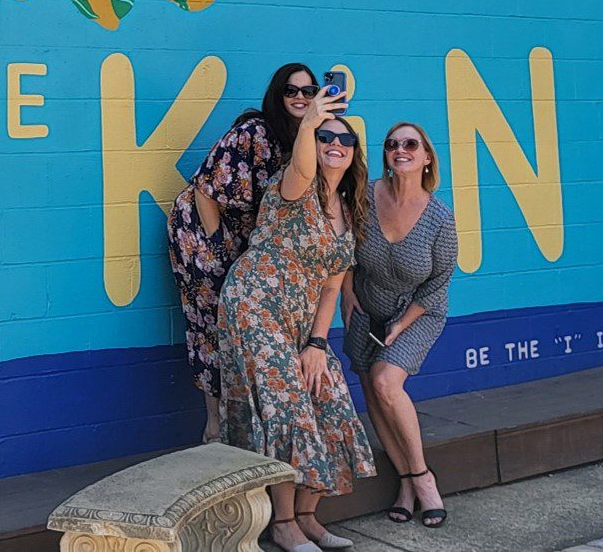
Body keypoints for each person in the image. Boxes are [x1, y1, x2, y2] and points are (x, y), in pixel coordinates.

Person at [218, 86, 374, 552]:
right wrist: (310, 121)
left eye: (344, 140)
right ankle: (282, 523)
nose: (334, 144)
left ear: (353, 154)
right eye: (326, 135)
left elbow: (331, 286)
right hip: (254, 306)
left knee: (326, 395)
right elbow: (305, 163)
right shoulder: (295, 185)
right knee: (286, 407)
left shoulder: (349, 211)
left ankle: (307, 517)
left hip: (302, 323)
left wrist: (318, 345)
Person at [167, 63, 319, 440]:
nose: (300, 97)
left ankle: (243, 419)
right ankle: (215, 427)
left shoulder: (305, 138)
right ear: (276, 95)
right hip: (202, 233)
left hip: (246, 241)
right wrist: (218, 247)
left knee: (242, 325)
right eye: (291, 90)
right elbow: (206, 189)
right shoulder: (254, 131)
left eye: (309, 90)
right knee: (212, 322)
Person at [342, 121, 459, 530]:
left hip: (418, 313)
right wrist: (345, 292)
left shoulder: (440, 218)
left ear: (427, 157)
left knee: (386, 381)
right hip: (366, 307)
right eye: (392, 144)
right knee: (371, 388)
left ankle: (423, 478)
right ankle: (405, 483)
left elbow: (439, 284)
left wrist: (398, 327)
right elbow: (342, 247)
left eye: (411, 144)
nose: (400, 149)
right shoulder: (365, 197)